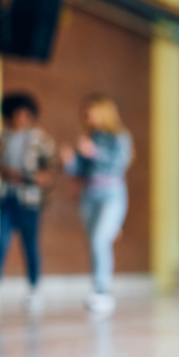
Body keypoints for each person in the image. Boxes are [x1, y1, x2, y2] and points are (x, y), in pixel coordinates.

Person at [0, 93, 56, 314]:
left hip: (29, 200)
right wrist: (4, 172)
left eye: (24, 114)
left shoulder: (40, 138)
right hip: (6, 197)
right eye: (15, 114)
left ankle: (34, 289)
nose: (20, 118)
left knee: (30, 245)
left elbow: (51, 166)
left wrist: (41, 177)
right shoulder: (3, 137)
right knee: (1, 243)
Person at [60, 95, 133, 314]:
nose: (88, 116)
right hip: (89, 194)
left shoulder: (119, 137)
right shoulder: (87, 137)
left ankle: (103, 291)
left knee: (101, 237)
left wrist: (94, 152)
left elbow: (119, 163)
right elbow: (79, 170)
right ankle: (97, 288)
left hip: (111, 192)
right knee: (95, 242)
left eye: (91, 111)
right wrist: (69, 162)